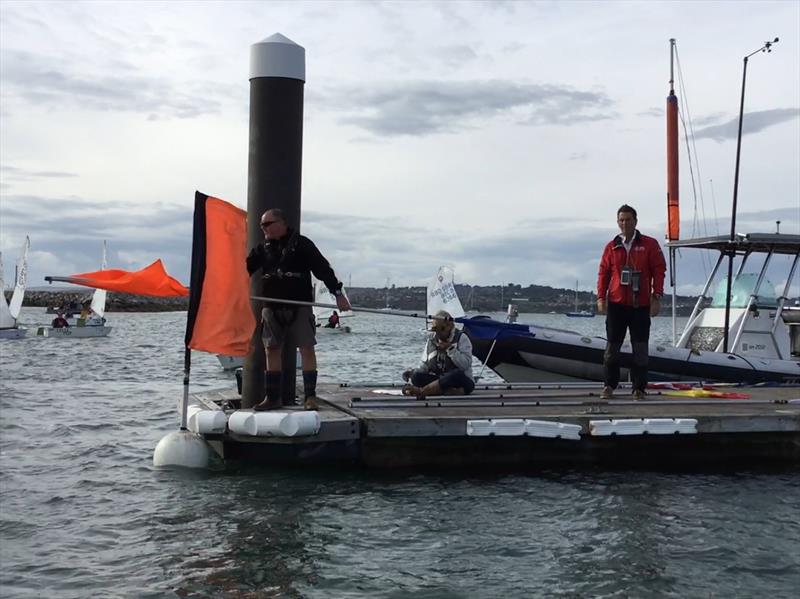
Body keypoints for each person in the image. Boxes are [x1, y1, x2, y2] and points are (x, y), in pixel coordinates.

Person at [246, 208, 351, 411]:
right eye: (261, 225)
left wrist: (337, 293)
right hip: (271, 306)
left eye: (267, 224)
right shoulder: (262, 249)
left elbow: (322, 269)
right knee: (272, 349)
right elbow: (244, 268)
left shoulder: (302, 244)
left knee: (306, 348)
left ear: (282, 223)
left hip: (299, 305)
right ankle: (272, 397)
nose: (263, 229)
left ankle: (310, 397)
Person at [597, 204, 666, 400]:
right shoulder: (611, 246)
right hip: (617, 303)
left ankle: (639, 388)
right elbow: (603, 273)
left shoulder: (650, 244)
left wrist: (657, 296)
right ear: (617, 222)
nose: (625, 223)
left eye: (628, 219)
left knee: (640, 349)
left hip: (640, 304)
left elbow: (659, 270)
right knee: (612, 348)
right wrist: (601, 297)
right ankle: (609, 385)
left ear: (635, 221)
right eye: (621, 220)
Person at [401, 310, 475, 399]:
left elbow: (465, 365)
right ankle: (446, 390)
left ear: (450, 326)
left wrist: (450, 349)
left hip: (460, 380)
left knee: (455, 374)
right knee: (416, 377)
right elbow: (424, 364)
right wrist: (412, 373)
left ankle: (423, 392)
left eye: (442, 329)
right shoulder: (432, 340)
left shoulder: (462, 338)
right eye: (436, 329)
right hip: (439, 379)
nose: (438, 333)